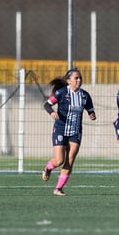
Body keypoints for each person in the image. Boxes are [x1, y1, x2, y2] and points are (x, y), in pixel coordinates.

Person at [41, 68, 96, 196]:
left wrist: (92, 115)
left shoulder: (85, 95)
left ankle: (58, 188)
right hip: (60, 129)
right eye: (76, 78)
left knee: (70, 160)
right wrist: (52, 112)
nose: (79, 80)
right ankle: (48, 168)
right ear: (68, 81)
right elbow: (47, 105)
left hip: (76, 131)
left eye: (80, 78)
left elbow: (90, 110)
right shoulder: (61, 93)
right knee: (59, 160)